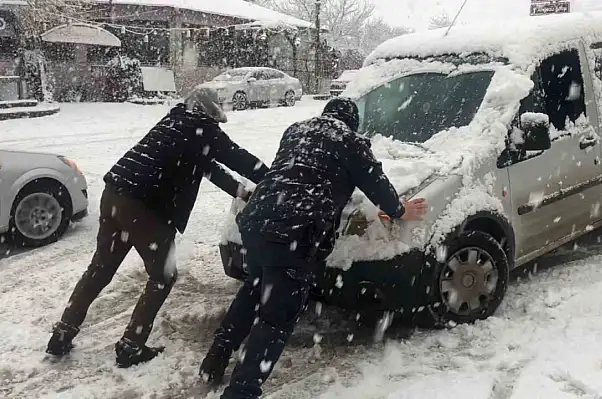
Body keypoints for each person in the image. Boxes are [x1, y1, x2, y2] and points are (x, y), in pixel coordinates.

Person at [199, 97, 428, 398]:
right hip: (293, 231)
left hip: (257, 222)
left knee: (254, 291)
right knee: (276, 317)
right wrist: (398, 210)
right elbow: (375, 182)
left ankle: (215, 359)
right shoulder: (350, 140)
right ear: (352, 123)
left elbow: (297, 173)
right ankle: (242, 391)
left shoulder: (296, 131)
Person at [46, 88, 269, 368]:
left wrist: (243, 193)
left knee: (100, 268)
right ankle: (131, 346)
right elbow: (238, 158)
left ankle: (63, 333)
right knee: (163, 275)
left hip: (114, 195)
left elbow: (208, 168)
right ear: (209, 114)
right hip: (145, 207)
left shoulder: (174, 122)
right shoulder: (202, 129)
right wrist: (274, 176)